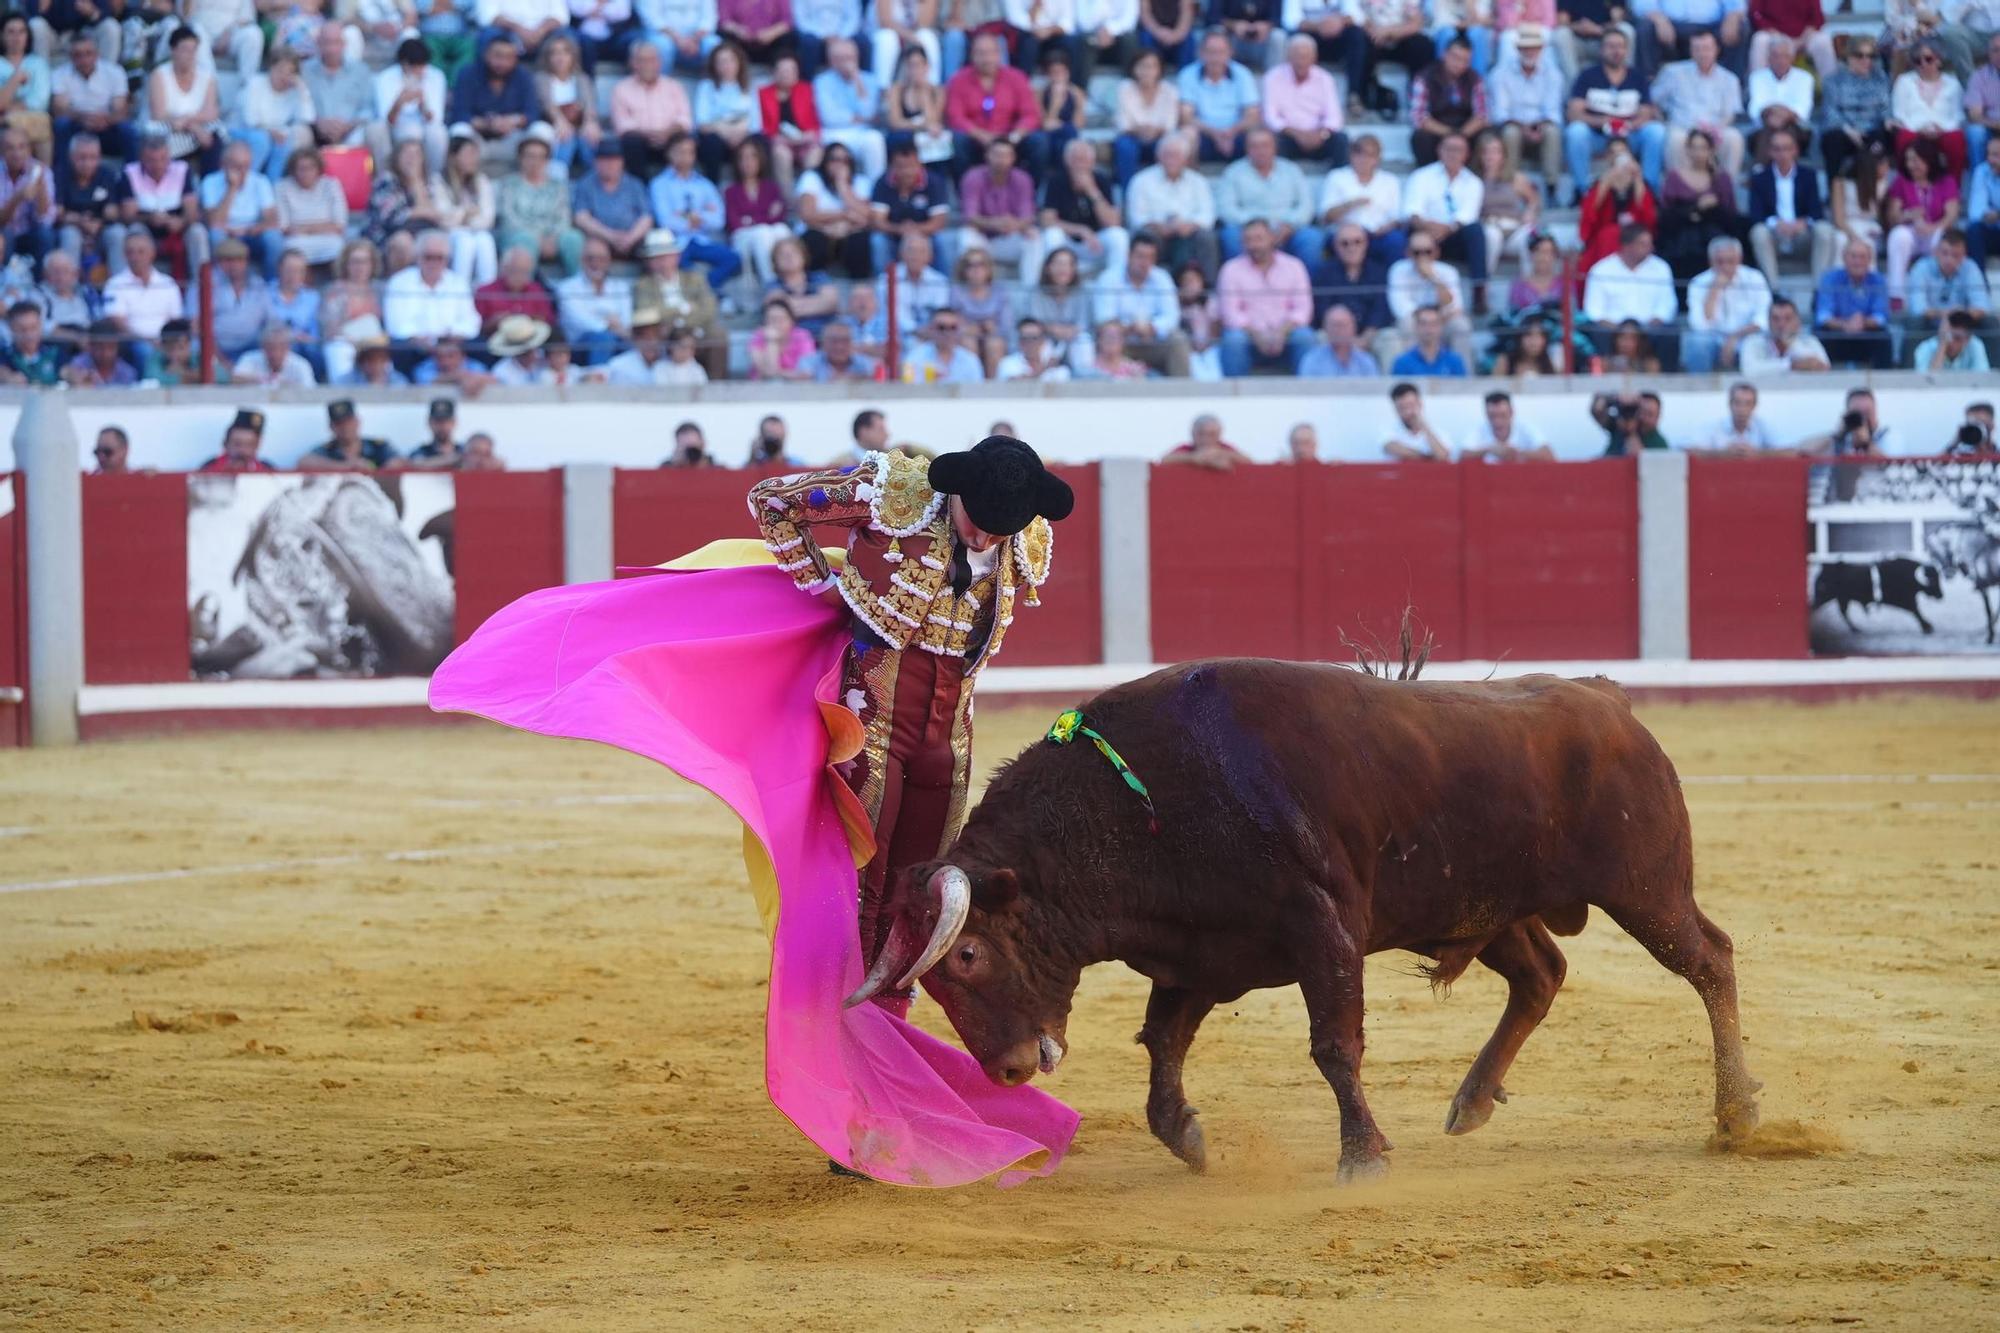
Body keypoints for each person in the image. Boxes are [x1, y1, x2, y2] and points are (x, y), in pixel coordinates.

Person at [1564, 28, 1665, 196]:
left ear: (1626, 50)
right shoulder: (1588, 76)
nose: (1616, 51)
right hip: (1598, 135)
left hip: (1630, 134)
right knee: (1576, 132)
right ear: (1602, 49)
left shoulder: (1637, 77)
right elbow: (1574, 113)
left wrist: (1630, 124)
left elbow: (1647, 112)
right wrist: (1602, 122)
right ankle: (1582, 190)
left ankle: (1649, 188)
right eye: (1611, 46)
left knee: (1656, 131)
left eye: (1620, 46)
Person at [1215, 216, 1314, 375]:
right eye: (1248, 240)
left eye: (1259, 239)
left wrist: (1281, 332)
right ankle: (1234, 397)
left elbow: (1303, 310)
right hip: (1249, 338)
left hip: (1286, 335)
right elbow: (1230, 314)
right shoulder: (1231, 269)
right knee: (1233, 340)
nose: (1254, 245)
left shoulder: (1294, 266)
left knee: (1304, 337)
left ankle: (1308, 396)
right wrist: (1257, 335)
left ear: (1272, 239)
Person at [1090, 229, 1190, 376]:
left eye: (1150, 258)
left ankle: (1183, 395)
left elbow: (1172, 316)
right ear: (1129, 256)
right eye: (1140, 257)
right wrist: (1128, 328)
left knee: (1178, 340)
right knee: (1109, 338)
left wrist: (1152, 328)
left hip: (1152, 341)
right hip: (1122, 343)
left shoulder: (1162, 278)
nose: (1145, 263)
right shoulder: (1109, 278)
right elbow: (1103, 319)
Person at [647, 131, 742, 283]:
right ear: (669, 153)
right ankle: (705, 291)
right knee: (677, 264)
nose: (685, 157)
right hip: (675, 244)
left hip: (702, 240)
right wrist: (699, 218)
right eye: (680, 151)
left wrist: (695, 218)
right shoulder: (659, 185)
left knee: (733, 259)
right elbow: (664, 220)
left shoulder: (704, 185)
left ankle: (706, 288)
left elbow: (718, 220)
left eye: (689, 152)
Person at [945, 31, 1043, 174]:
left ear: (999, 54)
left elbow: (1030, 115)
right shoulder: (959, 80)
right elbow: (955, 117)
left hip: (1010, 138)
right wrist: (981, 136)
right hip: (976, 139)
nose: (986, 59)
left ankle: (1029, 190)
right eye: (981, 53)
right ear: (972, 55)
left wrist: (1013, 137)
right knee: (958, 140)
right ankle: (965, 190)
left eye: (990, 53)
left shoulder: (1016, 77)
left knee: (1038, 141)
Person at [1746, 125, 1834, 283]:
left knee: (1824, 230)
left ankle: (1818, 288)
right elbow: (1755, 214)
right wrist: (1776, 223)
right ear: (1770, 152)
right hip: (1775, 236)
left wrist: (1802, 223)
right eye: (1777, 149)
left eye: (1787, 148)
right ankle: (1773, 289)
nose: (1782, 154)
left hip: (1801, 236)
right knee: (1758, 232)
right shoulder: (1760, 178)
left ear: (1795, 151)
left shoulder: (1808, 176)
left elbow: (1816, 211)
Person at [1651, 30, 1745, 178]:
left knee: (1734, 137)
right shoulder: (1673, 73)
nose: (1702, 53)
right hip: (1683, 129)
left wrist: (1716, 130)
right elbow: (1654, 101)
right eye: (1697, 49)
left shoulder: (1729, 79)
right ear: (1691, 51)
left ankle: (1727, 192)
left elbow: (1730, 114)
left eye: (1707, 48)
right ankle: (1680, 191)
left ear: (1716, 50)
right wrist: (1663, 121)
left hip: (1715, 131)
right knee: (1675, 139)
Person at [1124, 132, 1219, 279]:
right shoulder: (1141, 181)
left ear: (1186, 159)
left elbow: (1207, 216)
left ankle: (1207, 289)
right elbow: (1137, 218)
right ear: (1158, 157)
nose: (1171, 160)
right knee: (1146, 237)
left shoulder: (1198, 182)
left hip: (1189, 233)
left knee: (1206, 237)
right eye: (1167, 155)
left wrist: (1188, 226)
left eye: (1176, 155)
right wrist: (1160, 227)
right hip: (1157, 235)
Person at [1216, 126, 1318, 263]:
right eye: (1254, 146)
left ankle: (1306, 283)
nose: (1260, 151)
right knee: (1230, 236)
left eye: (1265, 145)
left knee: (1311, 237)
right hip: (1248, 227)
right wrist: (1257, 227)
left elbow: (1306, 205)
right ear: (1247, 149)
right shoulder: (1234, 172)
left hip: (1286, 229)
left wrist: (1290, 224)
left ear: (1275, 147)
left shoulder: (1292, 170)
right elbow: (1226, 209)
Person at [1403, 131, 1487, 295]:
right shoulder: (1421, 176)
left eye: (1458, 150)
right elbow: (1412, 210)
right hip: (1424, 232)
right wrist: (1427, 227)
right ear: (1439, 150)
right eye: (1449, 149)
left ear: (1466, 154)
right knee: (1410, 232)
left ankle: (1479, 290)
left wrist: (1446, 229)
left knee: (1475, 231)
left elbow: (1468, 215)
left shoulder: (1474, 182)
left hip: (1454, 235)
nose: (1453, 154)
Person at [1582, 223, 1678, 365]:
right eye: (1643, 244)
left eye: (1650, 243)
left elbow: (1667, 306)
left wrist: (1644, 328)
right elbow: (1594, 311)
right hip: (1612, 330)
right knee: (1596, 332)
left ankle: (1667, 383)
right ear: (1627, 246)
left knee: (1670, 334)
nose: (1651, 248)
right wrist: (1622, 332)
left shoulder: (1661, 268)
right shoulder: (1601, 270)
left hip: (1649, 329)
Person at [1884, 139, 1961, 305]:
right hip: (1911, 231)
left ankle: (1933, 296)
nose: (1911, 165)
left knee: (1941, 238)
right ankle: (1896, 295)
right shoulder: (1901, 181)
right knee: (1898, 236)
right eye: (1908, 160)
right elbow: (1892, 217)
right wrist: (1907, 215)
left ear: (1929, 160)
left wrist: (1932, 228)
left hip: (1936, 229)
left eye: (1915, 160)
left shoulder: (1946, 181)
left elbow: (1951, 214)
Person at [1039, 136, 1129, 278]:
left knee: (1119, 236)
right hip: (1068, 243)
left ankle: (1115, 282)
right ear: (1067, 161)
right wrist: (1080, 230)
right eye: (1075, 159)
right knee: (1052, 235)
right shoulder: (1056, 180)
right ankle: (1056, 282)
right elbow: (1047, 221)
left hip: (1095, 243)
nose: (1080, 165)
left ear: (1092, 162)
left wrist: (1092, 191)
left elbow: (1113, 222)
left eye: (1084, 160)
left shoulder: (1102, 180)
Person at [955, 136, 1041, 280]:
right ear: (987, 155)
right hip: (983, 238)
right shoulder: (973, 177)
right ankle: (969, 292)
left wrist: (1015, 224)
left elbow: (1028, 216)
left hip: (1010, 237)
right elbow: (969, 217)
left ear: (1013, 157)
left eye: (1006, 155)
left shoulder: (1023, 179)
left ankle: (1030, 291)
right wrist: (995, 223)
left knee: (1034, 236)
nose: (1001, 160)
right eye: (997, 155)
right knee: (966, 236)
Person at [1491, 24, 1565, 189]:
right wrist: (1523, 127)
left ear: (1541, 49)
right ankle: (1509, 183)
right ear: (1518, 49)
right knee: (1511, 133)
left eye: (1534, 48)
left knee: (1553, 131)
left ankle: (1551, 185)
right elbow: (1501, 112)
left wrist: (1539, 126)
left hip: (1541, 124)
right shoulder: (1501, 73)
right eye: (1525, 48)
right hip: (1513, 124)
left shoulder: (1553, 74)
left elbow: (1552, 110)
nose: (1530, 52)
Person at [1683, 235, 1769, 372]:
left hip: (1746, 338)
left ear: (1739, 260)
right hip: (1713, 340)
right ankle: (1699, 388)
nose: (1725, 267)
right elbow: (1699, 325)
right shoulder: (1698, 283)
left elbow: (1762, 319)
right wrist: (1714, 290)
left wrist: (1734, 337)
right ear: (1711, 262)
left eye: (1730, 261)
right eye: (1720, 262)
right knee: (1696, 342)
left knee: (1760, 343)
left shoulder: (1755, 278)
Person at [1176, 27, 1260, 165]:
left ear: (1230, 53)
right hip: (1203, 133)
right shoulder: (1188, 75)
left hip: (1236, 133)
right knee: (1187, 134)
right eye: (1210, 52)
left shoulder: (1243, 74)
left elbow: (1252, 115)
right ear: (1201, 53)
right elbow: (1186, 117)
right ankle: (1192, 182)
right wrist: (1215, 134)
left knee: (1258, 136)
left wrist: (1231, 132)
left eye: (1221, 52)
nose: (1215, 58)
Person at [1316, 132, 1403, 264]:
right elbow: (1325, 217)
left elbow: (1397, 217)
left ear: (1378, 158)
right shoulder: (1336, 177)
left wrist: (1385, 228)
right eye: (1359, 154)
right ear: (1351, 155)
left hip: (1378, 236)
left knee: (1396, 240)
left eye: (1370, 155)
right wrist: (1350, 205)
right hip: (1345, 236)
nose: (1364, 159)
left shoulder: (1390, 180)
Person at [385, 229, 483, 346]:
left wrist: (451, 335)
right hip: (413, 347)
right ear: (418, 257)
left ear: (447, 259)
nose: (434, 263)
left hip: (451, 347)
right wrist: (421, 339)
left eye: (439, 257)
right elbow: (395, 325)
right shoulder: (398, 282)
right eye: (428, 257)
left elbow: (471, 321)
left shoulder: (458, 283)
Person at [1261, 31, 1346, 165]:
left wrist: (1321, 134)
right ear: (1288, 57)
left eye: (1305, 57)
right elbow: (1271, 118)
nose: (1301, 62)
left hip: (1319, 137)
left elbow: (1334, 117)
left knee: (1341, 140)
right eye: (1297, 56)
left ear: (1314, 58)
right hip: (1288, 137)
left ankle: (1336, 180)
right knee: (1272, 141)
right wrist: (1297, 134)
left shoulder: (1325, 79)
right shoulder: (1272, 78)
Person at [610, 37, 690, 176]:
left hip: (669, 138)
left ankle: (676, 185)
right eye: (642, 60)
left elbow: (684, 119)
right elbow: (622, 125)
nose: (648, 65)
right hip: (640, 141)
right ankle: (640, 186)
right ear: (633, 63)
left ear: (659, 63)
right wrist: (647, 134)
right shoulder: (621, 88)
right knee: (630, 142)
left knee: (683, 139)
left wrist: (666, 133)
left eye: (652, 60)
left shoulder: (673, 86)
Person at [1820, 36, 1892, 187]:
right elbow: (1830, 111)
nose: (1866, 60)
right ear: (1849, 57)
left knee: (1884, 137)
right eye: (1860, 55)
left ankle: (1876, 194)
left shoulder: (1880, 78)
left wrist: (1887, 120)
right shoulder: (1833, 80)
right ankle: (1834, 191)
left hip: (1873, 130)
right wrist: (1849, 130)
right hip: (1846, 131)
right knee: (1832, 139)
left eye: (1871, 56)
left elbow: (1885, 108)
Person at [1889, 39, 1967, 178]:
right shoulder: (1904, 81)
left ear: (1939, 60)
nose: (1923, 64)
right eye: (1918, 60)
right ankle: (1906, 188)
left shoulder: (1952, 83)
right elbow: (1899, 113)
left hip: (1944, 129)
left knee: (1956, 140)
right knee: (1904, 138)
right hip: (1914, 129)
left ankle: (1953, 188)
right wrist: (1919, 128)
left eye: (1928, 59)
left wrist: (1941, 128)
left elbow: (1958, 114)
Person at [813, 35, 886, 180]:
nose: (847, 63)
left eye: (850, 57)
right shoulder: (821, 81)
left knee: (875, 139)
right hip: (833, 133)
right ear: (832, 61)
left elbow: (869, 112)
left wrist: (857, 80)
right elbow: (828, 117)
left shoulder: (869, 80)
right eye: (841, 58)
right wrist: (860, 118)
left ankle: (876, 188)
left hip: (862, 132)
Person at [1814, 236, 1892, 369]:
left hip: (1866, 332)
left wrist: (1863, 322)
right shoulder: (1829, 278)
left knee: (1883, 337)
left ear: (1869, 260)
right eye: (1853, 256)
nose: (1857, 262)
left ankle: (1884, 383)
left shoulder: (1878, 281)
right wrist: (1845, 324)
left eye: (1862, 257)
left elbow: (1881, 316)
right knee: (1821, 334)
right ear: (1844, 258)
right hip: (1837, 332)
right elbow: (1823, 316)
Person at [1410, 36, 1489, 167]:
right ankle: (1429, 175)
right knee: (1420, 137)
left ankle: (1473, 176)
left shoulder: (1474, 79)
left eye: (1465, 60)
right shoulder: (1425, 77)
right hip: (1438, 130)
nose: (1459, 64)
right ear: (1444, 54)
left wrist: (1461, 134)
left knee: (1486, 135)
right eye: (1455, 58)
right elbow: (1419, 117)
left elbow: (1481, 115)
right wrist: (1450, 134)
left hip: (1465, 129)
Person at [54, 131, 124, 276]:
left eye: (93, 158)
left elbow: (112, 212)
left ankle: (119, 285)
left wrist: (97, 223)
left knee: (118, 233)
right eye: (82, 158)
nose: (87, 163)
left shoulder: (107, 174)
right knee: (70, 235)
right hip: (71, 230)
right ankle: (69, 286)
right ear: (71, 157)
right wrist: (80, 222)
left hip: (100, 229)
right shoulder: (60, 174)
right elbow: (58, 213)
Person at [1113, 46, 1179, 188]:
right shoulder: (1124, 88)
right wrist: (1140, 130)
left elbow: (1170, 125)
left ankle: (1162, 192)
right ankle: (1128, 194)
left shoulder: (1169, 90)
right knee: (1125, 146)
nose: (1147, 71)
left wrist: (1155, 131)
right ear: (1134, 69)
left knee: (1168, 147)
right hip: (1132, 136)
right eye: (1142, 66)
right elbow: (1123, 124)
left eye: (1152, 67)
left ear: (1159, 70)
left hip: (1159, 137)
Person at [1746, 34, 1813, 162]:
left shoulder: (1805, 78)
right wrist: (1775, 114)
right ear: (1769, 58)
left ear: (1792, 58)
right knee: (1771, 128)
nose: (1780, 60)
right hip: (1764, 127)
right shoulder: (1757, 77)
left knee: (1784, 130)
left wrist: (1782, 115)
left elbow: (1803, 110)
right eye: (1776, 56)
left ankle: (1762, 172)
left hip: (1797, 129)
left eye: (1785, 56)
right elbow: (1755, 109)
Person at [1737, 294, 1829, 372]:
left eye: (1787, 319)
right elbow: (1748, 370)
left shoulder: (1810, 341)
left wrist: (1793, 345)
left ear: (1798, 322)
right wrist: (1790, 365)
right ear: (1768, 322)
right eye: (1775, 319)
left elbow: (1824, 367)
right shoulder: (1753, 342)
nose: (1781, 324)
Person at [301, 398, 397, 470]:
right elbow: (304, 462)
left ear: (357, 422)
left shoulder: (378, 446)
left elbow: (400, 462)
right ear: (331, 427)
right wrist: (346, 466)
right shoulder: (327, 450)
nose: (345, 427)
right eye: (339, 423)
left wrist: (378, 471)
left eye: (348, 422)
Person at [1463, 390, 1557, 461]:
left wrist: (1517, 453)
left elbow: (1549, 455)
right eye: (1493, 416)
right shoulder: (1480, 430)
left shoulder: (1525, 428)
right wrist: (1489, 450)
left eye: (1502, 415)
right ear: (1487, 414)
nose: (1498, 420)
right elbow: (1462, 456)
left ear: (1511, 412)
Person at [901, 306, 986, 381]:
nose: (947, 333)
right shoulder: (915, 358)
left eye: (953, 328)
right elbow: (909, 390)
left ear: (959, 331)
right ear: (931, 329)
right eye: (941, 328)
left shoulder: (970, 361)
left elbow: (977, 395)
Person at [1296, 303, 1380, 377]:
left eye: (1342, 325)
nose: (1338, 330)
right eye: (1334, 325)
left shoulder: (1366, 362)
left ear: (1353, 328)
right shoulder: (1312, 361)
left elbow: (1374, 392)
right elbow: (1307, 392)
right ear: (1325, 328)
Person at [1696, 380, 1778, 453]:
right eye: (1737, 403)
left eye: (1748, 404)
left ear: (1754, 406)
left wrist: (1756, 452)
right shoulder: (1714, 427)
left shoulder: (1763, 426)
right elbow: (1693, 451)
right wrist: (1724, 453)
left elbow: (1787, 451)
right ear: (1730, 404)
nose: (1742, 409)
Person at [1391, 303, 1469, 375]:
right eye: (1423, 324)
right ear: (1416, 327)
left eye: (1433, 324)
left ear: (1441, 327)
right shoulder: (1402, 362)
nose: (1428, 329)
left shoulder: (1454, 361)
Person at [233, 319, 318, 385]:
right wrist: (262, 379)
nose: (276, 353)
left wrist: (287, 385)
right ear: (263, 347)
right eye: (271, 348)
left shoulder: (301, 364)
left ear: (288, 347)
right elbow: (235, 379)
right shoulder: (249, 358)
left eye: (281, 347)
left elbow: (310, 390)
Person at [1383, 380, 1452, 460]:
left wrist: (1424, 428)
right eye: (1402, 408)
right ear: (1396, 409)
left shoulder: (1438, 432)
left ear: (1420, 404)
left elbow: (1443, 456)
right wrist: (1429, 458)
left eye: (1411, 405)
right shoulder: (1388, 429)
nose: (1407, 412)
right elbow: (1391, 447)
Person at [605, 305, 675, 382]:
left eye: (655, 335)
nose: (650, 342)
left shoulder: (674, 361)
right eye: (644, 336)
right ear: (635, 339)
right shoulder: (619, 366)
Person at [0, 300, 62, 383]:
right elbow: (3, 372)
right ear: (11, 329)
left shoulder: (55, 353)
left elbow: (67, 371)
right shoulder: (4, 355)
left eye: (33, 327)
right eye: (22, 329)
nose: (29, 334)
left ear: (40, 326)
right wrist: (8, 378)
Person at [1161, 411, 1250, 468]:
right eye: (1201, 433)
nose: (1206, 438)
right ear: (1193, 433)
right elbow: (1164, 460)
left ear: (1219, 434)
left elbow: (1250, 463)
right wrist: (1192, 458)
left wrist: (1221, 455)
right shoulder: (1186, 449)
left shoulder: (1225, 448)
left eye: (1211, 434)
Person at [800, 316, 878, 380]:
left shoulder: (865, 364)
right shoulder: (808, 362)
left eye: (844, 341)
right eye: (834, 341)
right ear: (823, 343)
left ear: (852, 343)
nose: (839, 346)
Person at [198, 409, 278, 472]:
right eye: (237, 444)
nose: (242, 451)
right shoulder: (209, 468)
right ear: (225, 444)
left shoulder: (267, 470)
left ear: (257, 445)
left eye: (249, 445)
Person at [994, 315, 1071, 380]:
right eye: (1025, 338)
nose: (1030, 343)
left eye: (1034, 338)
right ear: (1019, 341)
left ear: (1042, 341)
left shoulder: (1057, 368)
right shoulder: (1007, 363)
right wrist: (1044, 368)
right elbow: (1013, 385)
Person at [1593, 389, 1668, 454]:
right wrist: (1614, 398)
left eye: (1650, 414)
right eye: (1641, 411)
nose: (1644, 418)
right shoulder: (1618, 426)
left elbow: (1636, 459)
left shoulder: (1659, 443)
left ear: (1658, 417)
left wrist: (1631, 432)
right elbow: (1598, 410)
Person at [1916, 309, 1992, 369]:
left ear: (1968, 339)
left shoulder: (1976, 345)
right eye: (1949, 336)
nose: (1950, 341)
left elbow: (1982, 379)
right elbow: (1927, 384)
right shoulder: (1925, 348)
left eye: (1957, 338)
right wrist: (1942, 344)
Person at [1967, 132, 2000, 268]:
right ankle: (1979, 283)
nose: (1991, 160)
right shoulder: (1982, 171)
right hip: (1994, 233)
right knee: (1974, 230)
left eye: (1996, 155)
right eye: (1989, 154)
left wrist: (1997, 215)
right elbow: (1976, 213)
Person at [406, 397, 464, 465]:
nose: (442, 426)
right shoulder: (420, 452)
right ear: (429, 423)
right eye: (437, 421)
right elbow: (415, 464)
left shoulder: (463, 450)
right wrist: (454, 459)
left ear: (454, 422)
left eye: (446, 421)